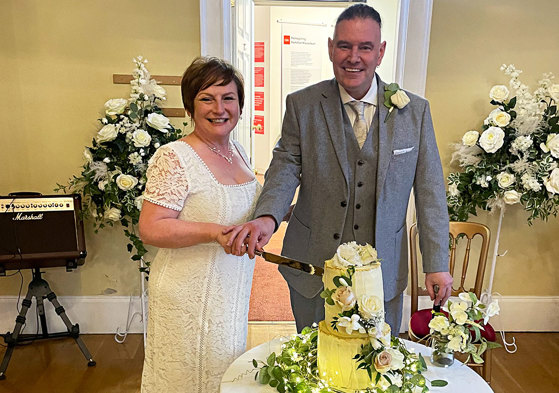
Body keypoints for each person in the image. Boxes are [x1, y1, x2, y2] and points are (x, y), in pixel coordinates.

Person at [229, 4, 452, 334]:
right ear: (332, 48)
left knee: (377, 369)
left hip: (383, 272)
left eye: (365, 47)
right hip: (313, 267)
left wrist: (436, 264)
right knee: (313, 362)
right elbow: (285, 165)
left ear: (381, 52)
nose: (354, 57)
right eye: (345, 46)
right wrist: (268, 216)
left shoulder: (414, 112)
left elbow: (431, 193)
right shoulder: (302, 105)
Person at [138, 57, 261, 393]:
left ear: (240, 104)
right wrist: (213, 232)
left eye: (228, 98)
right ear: (190, 106)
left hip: (230, 293)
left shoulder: (238, 151)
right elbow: (151, 228)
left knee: (224, 375)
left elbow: (246, 213)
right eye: (207, 98)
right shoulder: (174, 157)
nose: (219, 108)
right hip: (185, 297)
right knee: (186, 380)